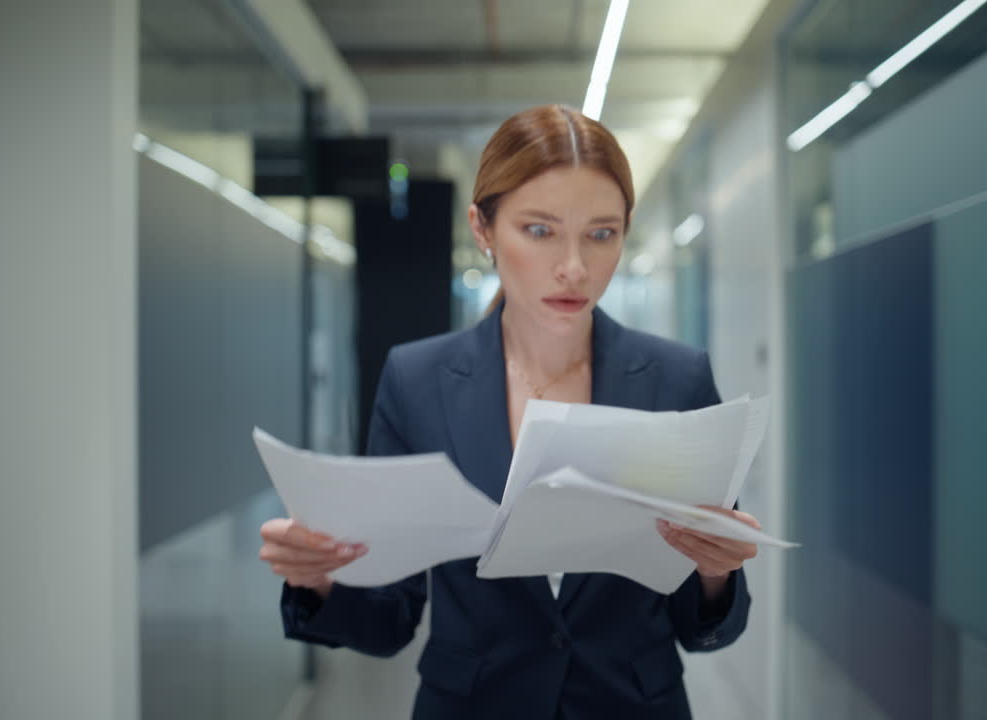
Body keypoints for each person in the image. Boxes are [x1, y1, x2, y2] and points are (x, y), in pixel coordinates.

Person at [258, 104, 762, 720]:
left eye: (601, 234)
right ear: (483, 229)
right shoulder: (418, 381)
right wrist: (319, 577)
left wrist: (715, 574)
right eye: (540, 230)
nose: (574, 267)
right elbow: (389, 620)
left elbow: (703, 626)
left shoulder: (676, 379)